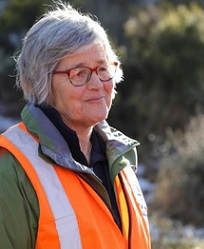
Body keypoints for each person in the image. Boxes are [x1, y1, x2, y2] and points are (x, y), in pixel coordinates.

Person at [0, 1, 151, 248]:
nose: (97, 84)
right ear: (42, 81)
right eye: (79, 73)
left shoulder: (120, 157)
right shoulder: (12, 170)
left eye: (103, 68)